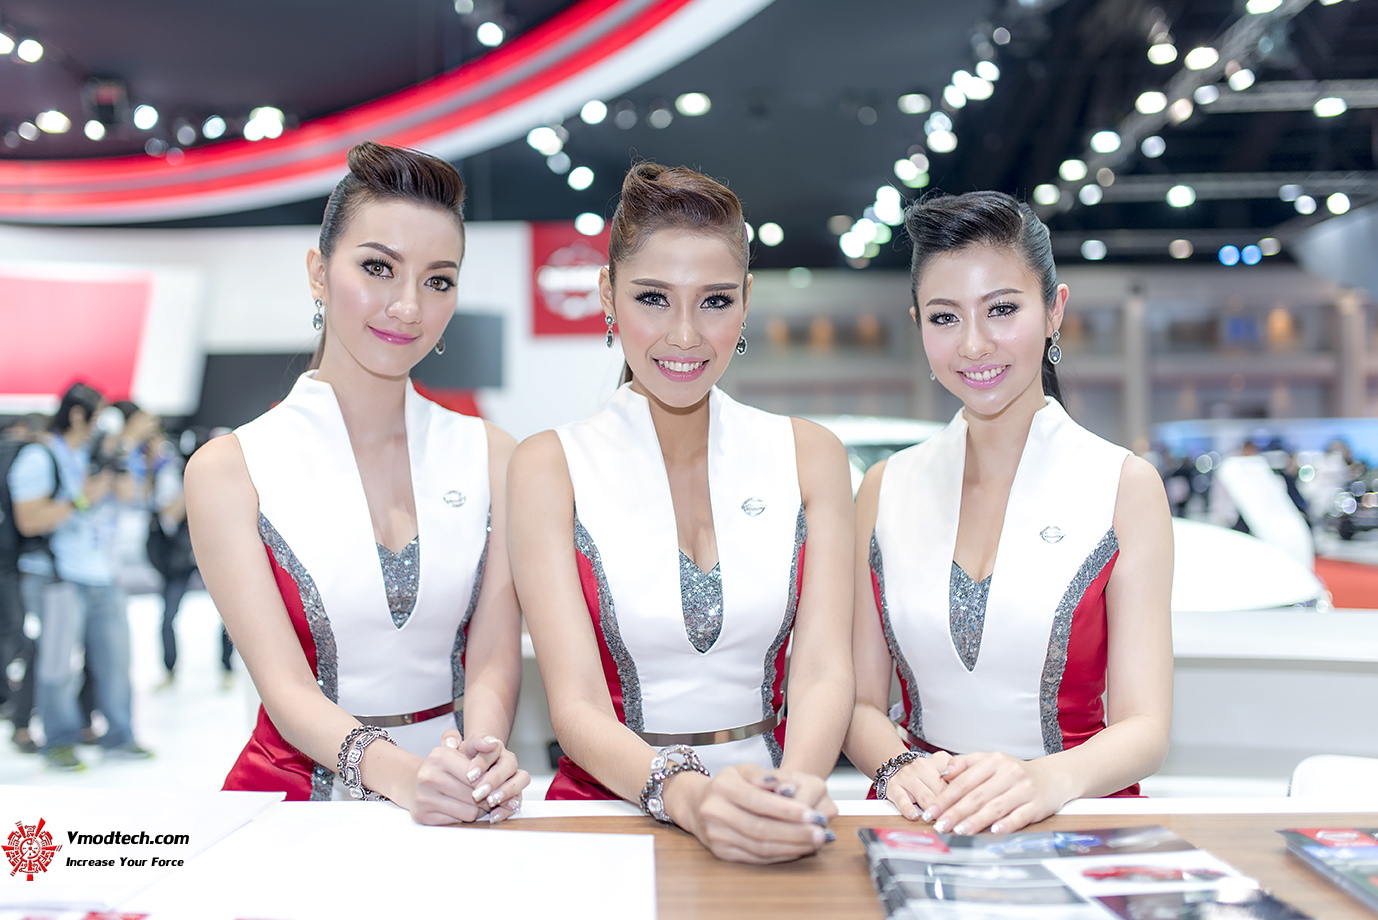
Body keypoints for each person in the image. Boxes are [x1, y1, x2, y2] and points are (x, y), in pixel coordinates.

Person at [509, 163, 855, 864]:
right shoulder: (549, 466)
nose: (687, 335)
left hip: (780, 806)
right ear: (607, 294)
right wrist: (692, 798)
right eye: (654, 299)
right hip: (614, 814)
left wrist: (787, 797)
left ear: (747, 300)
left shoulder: (809, 455)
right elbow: (575, 704)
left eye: (715, 301)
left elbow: (823, 669)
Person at [185, 141, 527, 822]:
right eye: (378, 268)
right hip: (295, 806)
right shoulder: (232, 469)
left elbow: (493, 653)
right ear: (319, 273)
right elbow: (285, 687)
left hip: (456, 794)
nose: (408, 307)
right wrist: (406, 776)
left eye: (438, 280)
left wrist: (479, 760)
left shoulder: (493, 455)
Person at [844, 191, 1173, 835]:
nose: (974, 344)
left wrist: (1046, 780)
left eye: (1001, 310)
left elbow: (1145, 728)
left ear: (1054, 310)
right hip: (926, 822)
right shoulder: (886, 488)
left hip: (1075, 820)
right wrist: (896, 766)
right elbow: (857, 703)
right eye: (945, 317)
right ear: (918, 324)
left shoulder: (1122, 486)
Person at [7, 383, 151, 770]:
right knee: (58, 664)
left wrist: (121, 452)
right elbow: (29, 520)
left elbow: (129, 494)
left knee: (115, 661)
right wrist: (80, 498)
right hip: (56, 575)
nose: (103, 423)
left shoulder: (93, 453)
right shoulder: (40, 456)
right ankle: (59, 741)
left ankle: (119, 735)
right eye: (98, 415)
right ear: (76, 414)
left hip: (103, 571)